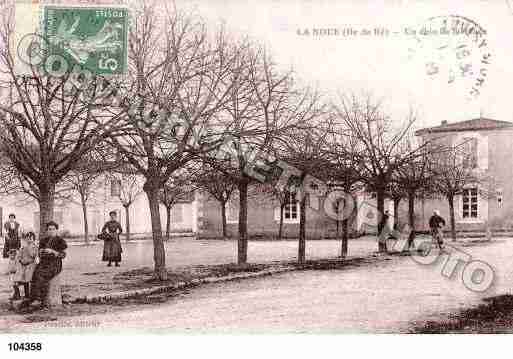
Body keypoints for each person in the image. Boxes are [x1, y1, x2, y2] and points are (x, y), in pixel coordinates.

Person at [22, 221, 67, 310]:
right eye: (49, 229)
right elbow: (39, 252)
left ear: (56, 230)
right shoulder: (44, 240)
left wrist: (53, 252)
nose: (51, 231)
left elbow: (63, 255)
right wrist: (42, 252)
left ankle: (39, 300)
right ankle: (33, 299)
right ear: (47, 230)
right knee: (35, 274)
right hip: (44, 262)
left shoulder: (60, 241)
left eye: (53, 229)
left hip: (55, 264)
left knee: (41, 275)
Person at [13, 231, 38, 300]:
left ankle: (28, 295)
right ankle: (17, 294)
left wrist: (29, 248)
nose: (29, 239)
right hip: (22, 266)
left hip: (30, 266)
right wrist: (20, 260)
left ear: (33, 239)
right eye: (28, 238)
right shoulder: (23, 247)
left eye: (31, 238)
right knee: (17, 280)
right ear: (26, 239)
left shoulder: (34, 247)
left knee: (27, 279)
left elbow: (33, 256)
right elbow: (19, 256)